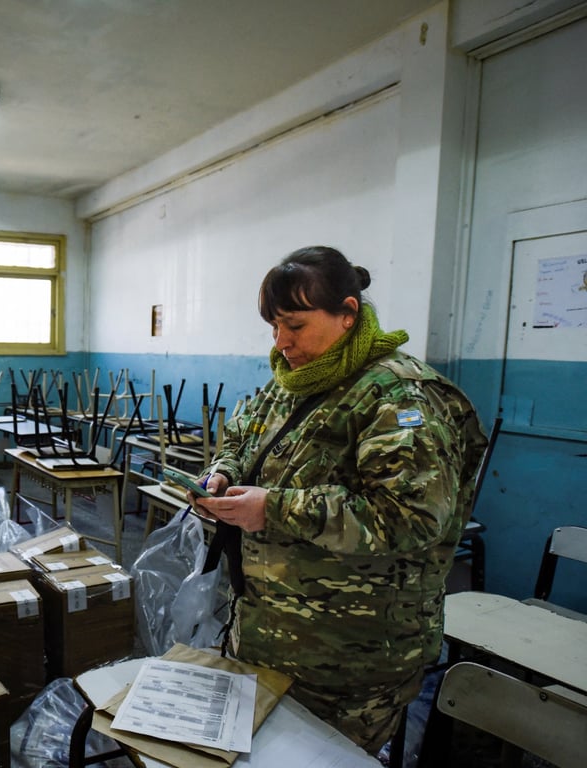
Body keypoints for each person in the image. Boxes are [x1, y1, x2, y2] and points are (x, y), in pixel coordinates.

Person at [190, 246, 487, 754]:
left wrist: (274, 508)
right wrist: (221, 475)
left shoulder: (400, 396)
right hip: (268, 630)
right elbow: (243, 438)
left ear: (348, 314)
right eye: (274, 327)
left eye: (295, 326)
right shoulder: (293, 383)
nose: (281, 343)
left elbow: (410, 518)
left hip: (350, 656)